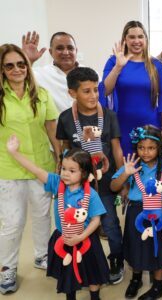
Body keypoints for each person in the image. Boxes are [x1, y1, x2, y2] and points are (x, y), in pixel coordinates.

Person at [7, 140, 109, 300]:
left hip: (86, 239)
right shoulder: (56, 183)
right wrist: (14, 153)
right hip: (64, 238)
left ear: (83, 173)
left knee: (92, 272)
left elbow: (96, 220)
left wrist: (81, 237)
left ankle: (95, 297)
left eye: (72, 170)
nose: (65, 173)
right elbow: (35, 170)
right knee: (68, 275)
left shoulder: (91, 194)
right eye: (63, 168)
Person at [0, 44, 60, 295]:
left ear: (28, 66)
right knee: (12, 223)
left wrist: (59, 156)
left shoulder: (41, 94)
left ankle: (42, 255)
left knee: (41, 216)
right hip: (8, 168)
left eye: (21, 64)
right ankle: (7, 269)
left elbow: (51, 128)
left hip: (41, 167)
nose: (17, 69)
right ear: (2, 69)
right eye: (10, 65)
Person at [56, 67, 125, 284]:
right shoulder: (66, 118)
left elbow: (116, 149)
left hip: (104, 183)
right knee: (80, 225)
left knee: (110, 224)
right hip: (77, 186)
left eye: (96, 90)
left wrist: (123, 181)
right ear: (72, 93)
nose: (93, 95)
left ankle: (117, 259)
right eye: (86, 91)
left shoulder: (109, 115)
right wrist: (63, 182)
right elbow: (64, 151)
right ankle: (87, 262)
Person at [110, 125, 162, 300]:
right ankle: (136, 279)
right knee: (135, 246)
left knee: (157, 248)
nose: (145, 152)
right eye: (141, 148)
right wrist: (125, 174)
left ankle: (158, 286)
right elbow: (113, 186)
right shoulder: (132, 164)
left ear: (159, 148)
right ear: (136, 148)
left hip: (158, 213)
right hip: (135, 212)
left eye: (151, 148)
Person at [101, 20, 162, 153]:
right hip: (121, 125)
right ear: (125, 39)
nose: (137, 41)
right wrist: (118, 67)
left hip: (150, 125)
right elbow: (105, 90)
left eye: (140, 37)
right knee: (124, 167)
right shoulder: (114, 61)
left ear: (146, 39)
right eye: (132, 37)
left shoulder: (156, 65)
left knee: (148, 166)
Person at [22, 31, 80, 113]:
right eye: (60, 48)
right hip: (54, 125)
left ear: (76, 51)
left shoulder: (91, 73)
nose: (66, 52)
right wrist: (28, 60)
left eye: (70, 48)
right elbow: (16, 82)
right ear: (50, 52)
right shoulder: (39, 74)